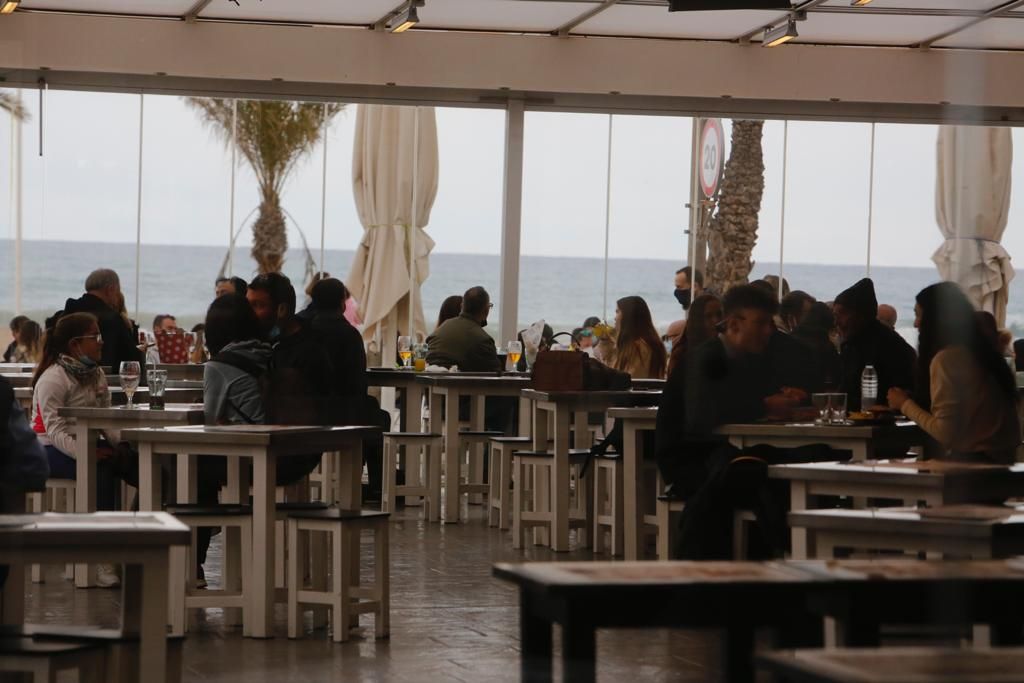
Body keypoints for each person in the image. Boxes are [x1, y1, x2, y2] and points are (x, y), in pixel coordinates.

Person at [656, 285, 809, 558]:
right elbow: (701, 417)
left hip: (724, 452)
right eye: (761, 323)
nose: (768, 331)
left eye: (770, 323)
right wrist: (764, 405)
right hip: (688, 458)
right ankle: (777, 551)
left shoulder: (748, 359)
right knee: (758, 473)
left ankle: (780, 550)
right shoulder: (706, 358)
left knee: (795, 462)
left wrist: (787, 401)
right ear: (735, 325)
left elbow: (745, 400)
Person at [30, 312, 138, 587]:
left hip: (87, 443)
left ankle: (140, 543)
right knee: (100, 468)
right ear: (75, 344)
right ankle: (101, 557)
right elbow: (54, 431)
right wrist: (87, 453)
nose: (102, 342)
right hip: (49, 448)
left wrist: (121, 445)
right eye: (95, 337)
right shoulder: (53, 378)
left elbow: (105, 418)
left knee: (138, 464)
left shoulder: (95, 373)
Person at [887, 283, 1020, 464]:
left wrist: (904, 404)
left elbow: (946, 433)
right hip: (1004, 460)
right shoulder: (985, 356)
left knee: (888, 474)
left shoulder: (948, 359)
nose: (915, 323)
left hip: (976, 464)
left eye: (919, 315)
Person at [833, 278, 916, 412]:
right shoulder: (850, 345)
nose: (837, 322)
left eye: (842, 314)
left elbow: (907, 393)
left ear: (860, 314)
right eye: (835, 315)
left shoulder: (891, 346)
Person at [61, 269, 143, 371]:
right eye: (118, 291)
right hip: (105, 380)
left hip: (65, 373)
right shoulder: (114, 319)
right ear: (110, 289)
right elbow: (131, 362)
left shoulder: (66, 313)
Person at [426, 286, 501, 372]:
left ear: (462, 306)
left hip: (430, 383)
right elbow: (495, 374)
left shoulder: (440, 330)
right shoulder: (483, 340)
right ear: (486, 310)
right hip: (460, 384)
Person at [596, 296, 667, 379]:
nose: (615, 318)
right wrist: (605, 341)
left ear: (627, 315)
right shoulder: (649, 343)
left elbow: (619, 377)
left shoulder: (637, 347)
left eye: (617, 312)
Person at [666, 293, 721, 377]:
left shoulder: (728, 348)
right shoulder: (682, 353)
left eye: (719, 314)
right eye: (708, 316)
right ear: (697, 320)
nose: (716, 320)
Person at [791, 302, 842, 390]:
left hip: (790, 394)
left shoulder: (791, 337)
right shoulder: (826, 346)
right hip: (817, 396)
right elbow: (837, 377)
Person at [665, 266, 704, 344]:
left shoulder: (705, 309)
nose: (676, 292)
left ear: (694, 286)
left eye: (679, 287)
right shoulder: (697, 306)